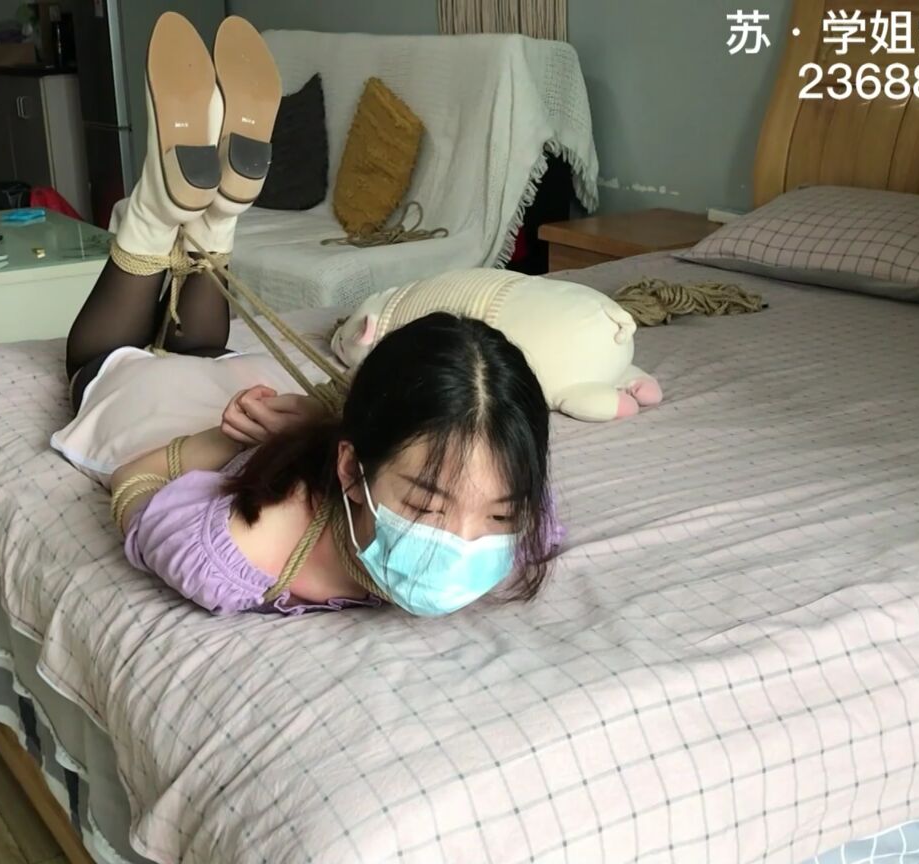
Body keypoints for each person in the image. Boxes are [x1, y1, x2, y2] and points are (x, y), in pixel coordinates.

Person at [68, 13, 564, 616]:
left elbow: (509, 485)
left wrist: (323, 412)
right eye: (426, 508)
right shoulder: (239, 548)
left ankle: (209, 218)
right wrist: (223, 439)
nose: (465, 543)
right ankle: (159, 211)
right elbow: (132, 482)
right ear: (350, 469)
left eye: (500, 516)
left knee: (202, 351)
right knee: (98, 362)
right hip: (168, 414)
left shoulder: (520, 520)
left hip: (253, 389)